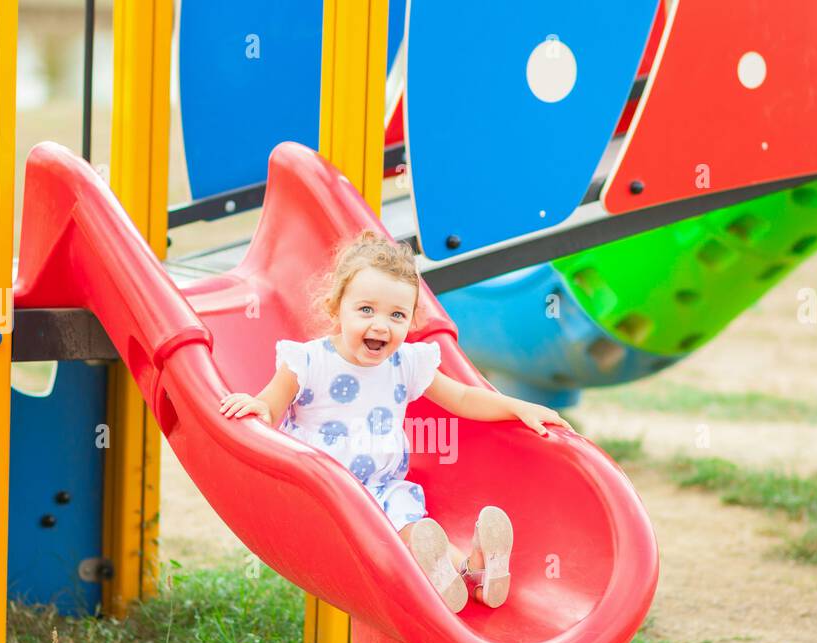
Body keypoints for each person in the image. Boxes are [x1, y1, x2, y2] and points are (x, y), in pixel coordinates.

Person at [219, 230, 572, 612]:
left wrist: (518, 406)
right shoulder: (307, 361)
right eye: (366, 310)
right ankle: (444, 574)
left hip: (383, 486)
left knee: (413, 528)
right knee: (394, 536)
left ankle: (472, 575)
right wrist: (255, 407)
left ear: (409, 322)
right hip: (322, 491)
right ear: (336, 308)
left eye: (397, 315)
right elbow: (271, 406)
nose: (381, 325)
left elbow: (462, 397)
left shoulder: (405, 362)